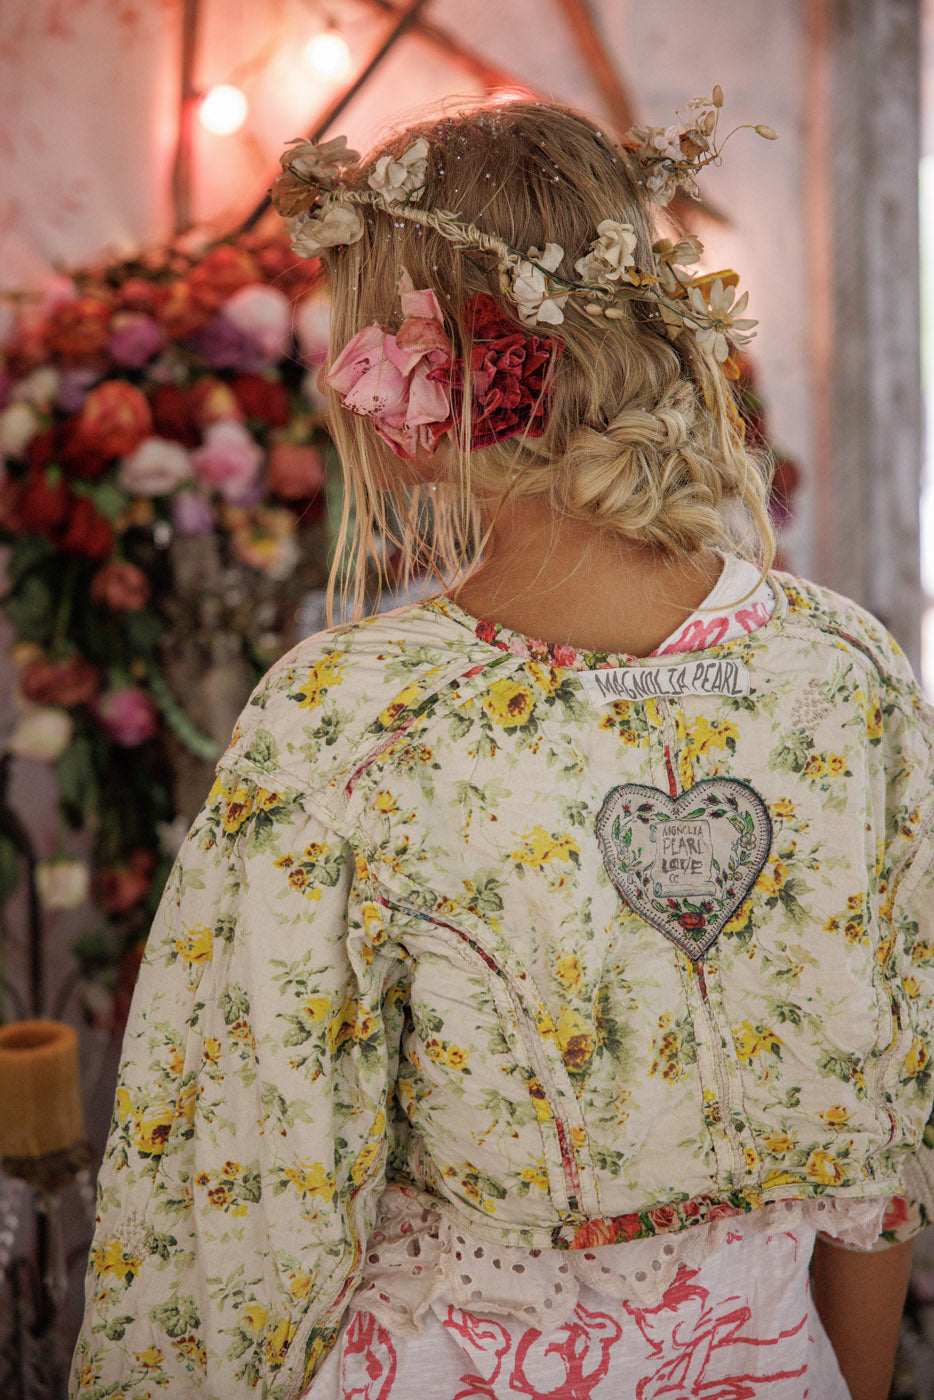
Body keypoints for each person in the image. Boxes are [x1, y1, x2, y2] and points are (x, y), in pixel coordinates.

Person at [70, 97, 933, 1400]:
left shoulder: (353, 721)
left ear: (421, 364)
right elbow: (884, 1158)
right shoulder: (844, 672)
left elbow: (237, 1211)